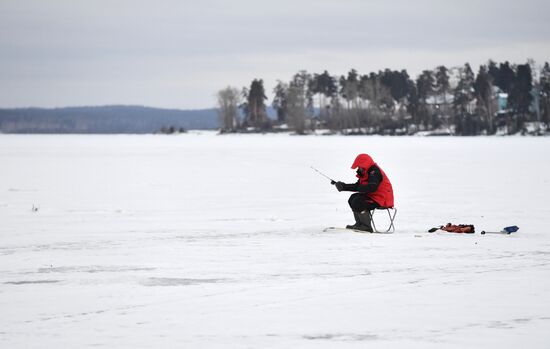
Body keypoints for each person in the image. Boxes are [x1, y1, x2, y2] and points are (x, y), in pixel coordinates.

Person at [332, 153, 394, 232]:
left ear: (365, 164)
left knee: (358, 201)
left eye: (359, 166)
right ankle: (359, 224)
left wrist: (360, 188)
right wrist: (343, 186)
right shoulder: (366, 172)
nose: (358, 168)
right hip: (374, 196)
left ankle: (366, 226)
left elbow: (372, 187)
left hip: (382, 199)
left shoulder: (374, 172)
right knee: (352, 198)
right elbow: (358, 186)